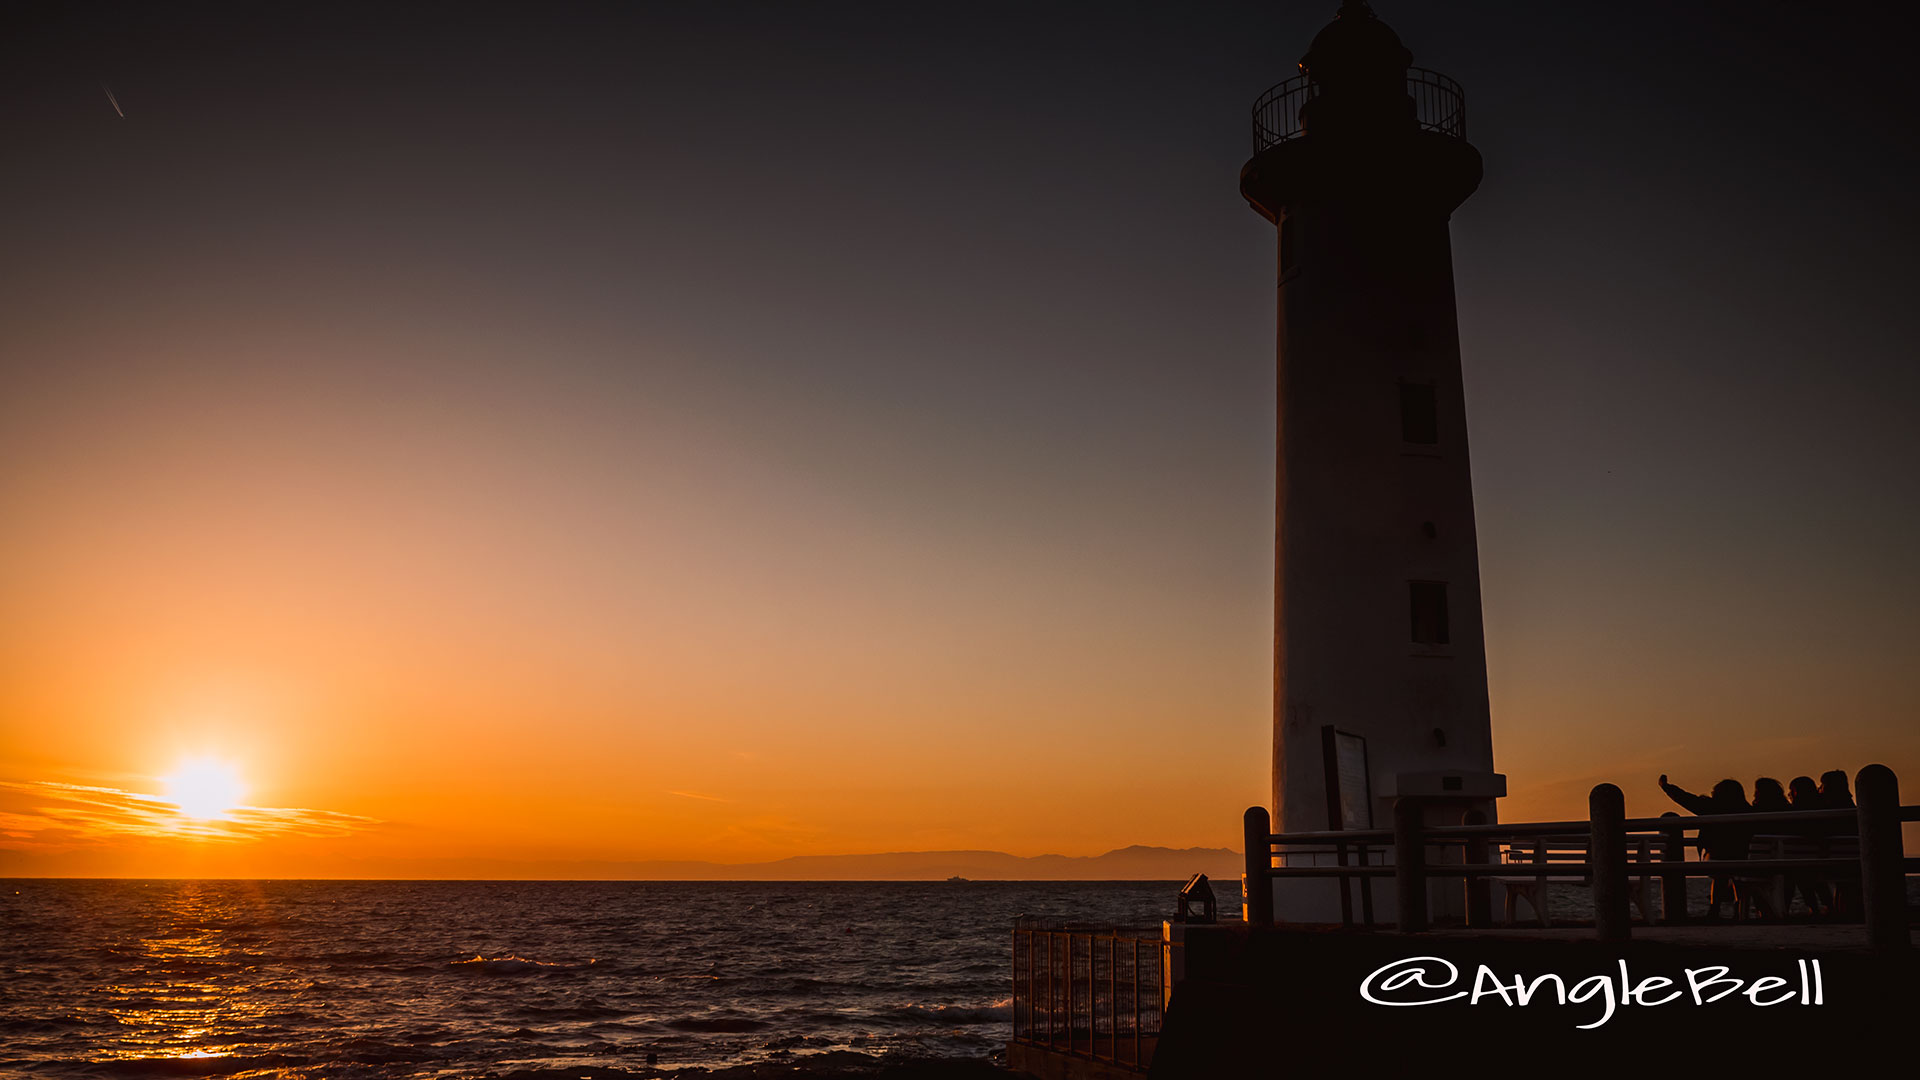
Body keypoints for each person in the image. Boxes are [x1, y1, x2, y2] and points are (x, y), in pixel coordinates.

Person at [1659, 774, 1751, 919]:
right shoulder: (1748, 810)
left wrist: (1666, 787)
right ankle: (1738, 908)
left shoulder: (1712, 807)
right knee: (1735, 876)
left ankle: (1714, 909)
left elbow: (1686, 799)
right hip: (1743, 857)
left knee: (1720, 875)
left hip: (1716, 857)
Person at [1786, 775, 1832, 918]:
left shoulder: (1793, 813)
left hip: (1800, 862)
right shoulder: (1825, 808)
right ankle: (1830, 905)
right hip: (1825, 858)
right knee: (1813, 876)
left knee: (1800, 875)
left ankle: (1813, 907)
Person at [1819, 769, 1860, 920]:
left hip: (1832, 862)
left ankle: (1834, 909)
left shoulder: (1825, 810)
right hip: (1854, 860)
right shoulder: (1852, 808)